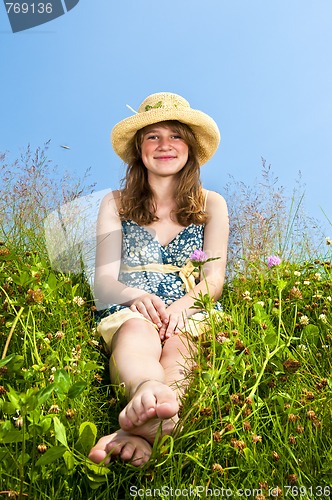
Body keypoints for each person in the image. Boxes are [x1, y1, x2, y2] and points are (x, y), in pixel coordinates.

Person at [88, 92, 229, 467]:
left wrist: (185, 306)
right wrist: (134, 295)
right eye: (152, 137)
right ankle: (147, 392)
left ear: (191, 148)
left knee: (182, 346)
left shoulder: (210, 203)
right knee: (136, 334)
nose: (164, 145)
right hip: (132, 299)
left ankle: (151, 421)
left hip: (188, 303)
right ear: (139, 150)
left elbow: (213, 277)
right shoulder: (116, 202)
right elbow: (104, 280)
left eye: (176, 136)